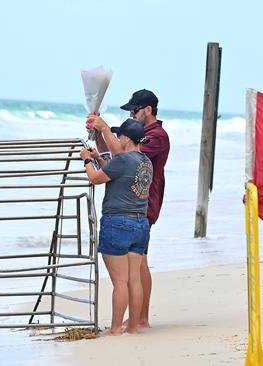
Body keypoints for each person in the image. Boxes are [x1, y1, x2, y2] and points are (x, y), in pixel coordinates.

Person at [86, 89, 170, 328]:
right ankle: (135, 319)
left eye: (135, 110)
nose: (132, 115)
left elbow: (123, 155)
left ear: (148, 110)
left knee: (138, 265)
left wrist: (104, 129)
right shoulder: (140, 135)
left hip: (141, 203)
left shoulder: (156, 136)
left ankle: (140, 318)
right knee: (137, 265)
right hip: (135, 204)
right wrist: (99, 131)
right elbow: (114, 156)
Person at [79, 118, 153, 335]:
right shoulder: (145, 161)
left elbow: (95, 179)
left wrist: (86, 161)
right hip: (140, 223)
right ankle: (132, 327)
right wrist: (99, 160)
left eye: (119, 136)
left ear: (127, 139)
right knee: (134, 280)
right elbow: (118, 175)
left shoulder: (123, 160)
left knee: (120, 282)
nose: (117, 139)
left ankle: (114, 329)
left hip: (118, 223)